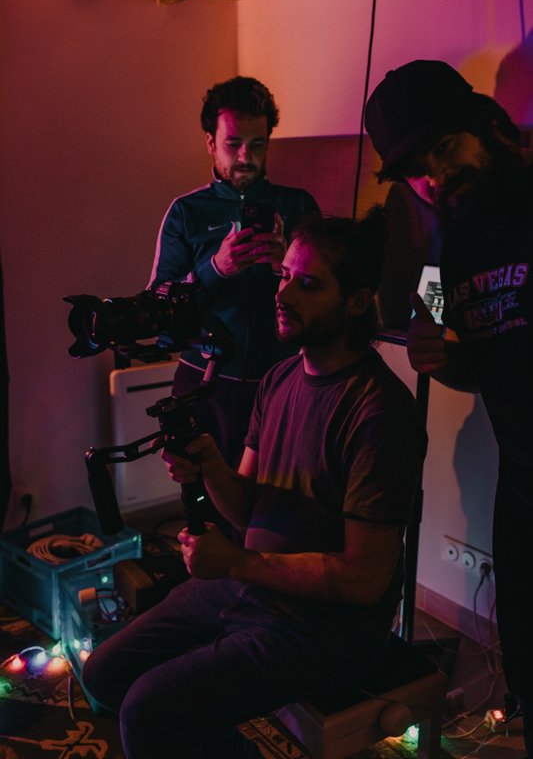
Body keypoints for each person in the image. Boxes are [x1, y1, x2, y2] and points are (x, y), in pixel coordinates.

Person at [82, 210, 427, 759]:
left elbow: (364, 579)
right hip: (249, 586)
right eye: (284, 276)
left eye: (308, 284)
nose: (282, 294)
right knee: (103, 674)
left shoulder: (380, 413)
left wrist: (238, 563)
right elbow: (246, 511)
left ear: (357, 302)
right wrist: (209, 465)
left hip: (321, 628)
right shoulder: (280, 377)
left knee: (146, 711)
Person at [364, 59, 533, 757]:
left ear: (485, 125)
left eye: (443, 149)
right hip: (521, 492)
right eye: (416, 171)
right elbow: (464, 356)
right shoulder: (449, 248)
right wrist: (434, 353)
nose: (435, 177)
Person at [148, 75, 320, 470]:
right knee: (200, 495)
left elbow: (327, 297)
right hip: (203, 381)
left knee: (274, 497)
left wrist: (286, 269)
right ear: (211, 142)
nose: (246, 156)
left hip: (282, 379)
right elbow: (158, 303)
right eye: (234, 143)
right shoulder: (185, 212)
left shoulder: (298, 206)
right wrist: (215, 269)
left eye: (258, 144)